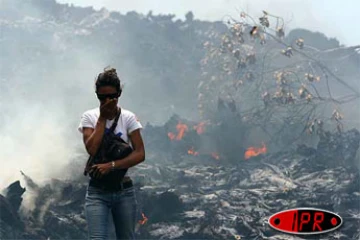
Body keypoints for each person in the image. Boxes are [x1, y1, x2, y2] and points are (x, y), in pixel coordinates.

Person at [78, 67, 145, 239]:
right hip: (97, 192)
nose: (107, 100)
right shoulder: (89, 117)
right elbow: (91, 149)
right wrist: (102, 118)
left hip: (124, 191)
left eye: (111, 96)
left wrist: (112, 166)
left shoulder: (128, 118)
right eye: (102, 97)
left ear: (119, 94)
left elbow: (140, 153)